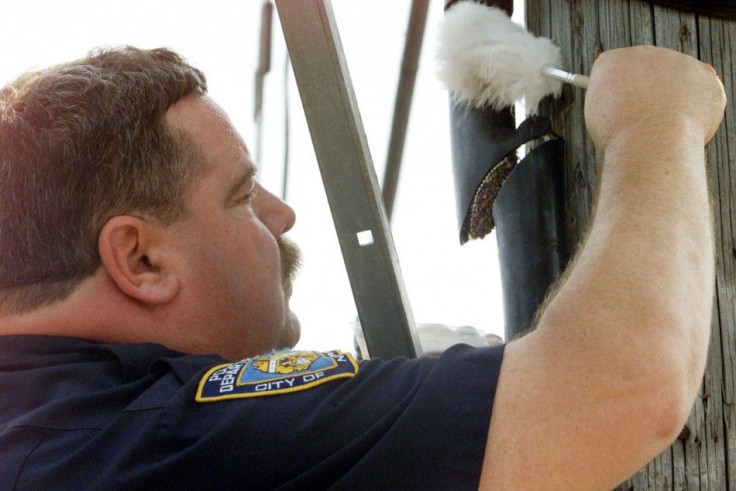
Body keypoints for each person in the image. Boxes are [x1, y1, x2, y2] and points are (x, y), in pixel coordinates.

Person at [0, 44, 725, 489]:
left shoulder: (55, 434)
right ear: (141, 257)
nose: (282, 218)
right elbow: (622, 382)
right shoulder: (154, 439)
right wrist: (656, 123)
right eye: (242, 196)